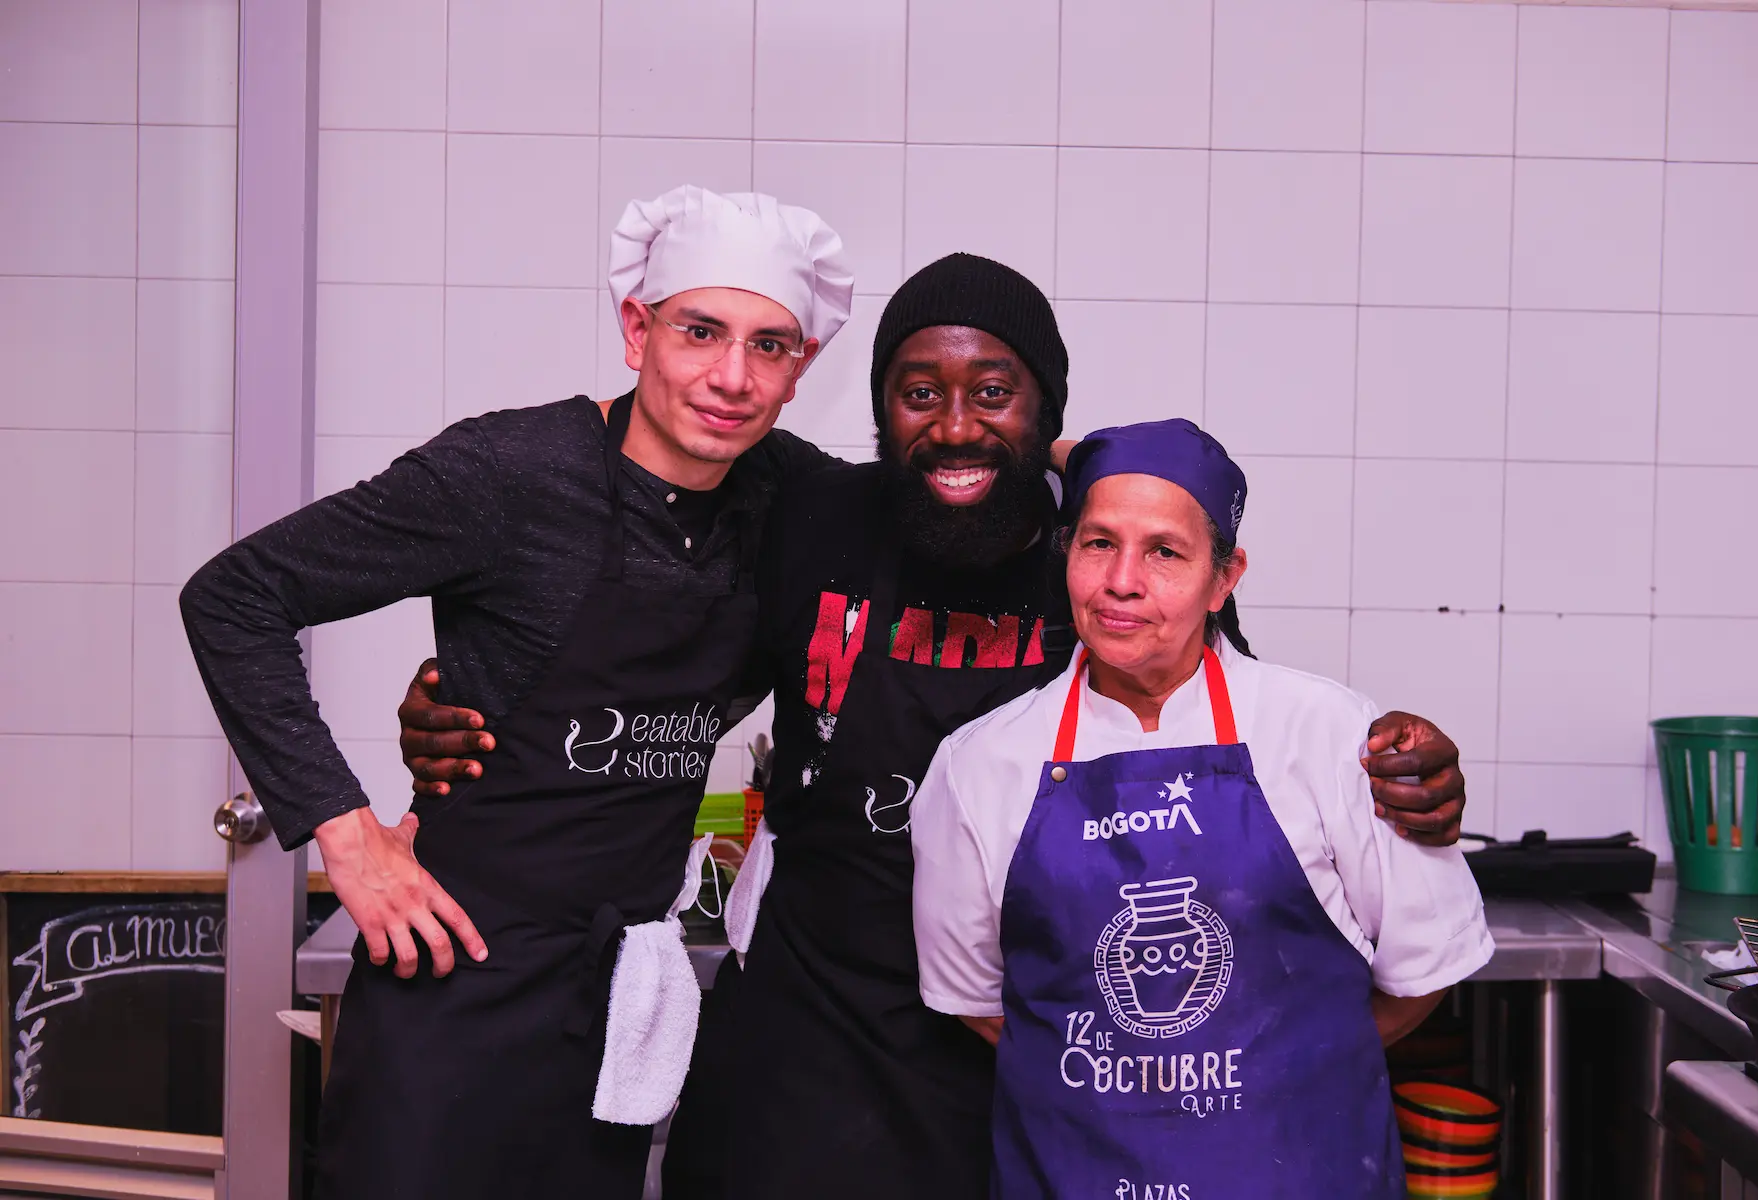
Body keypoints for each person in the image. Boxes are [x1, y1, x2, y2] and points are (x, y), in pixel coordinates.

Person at [398, 255, 1475, 1199]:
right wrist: (490, 700)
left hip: (1039, 1051)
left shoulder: (1107, 553)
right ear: (881, 409)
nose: (955, 424)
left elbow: (1240, 735)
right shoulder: (809, 513)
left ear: (1046, 411)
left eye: (994, 392)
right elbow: (653, 602)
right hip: (811, 1035)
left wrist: (1407, 769)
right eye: (920, 392)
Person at [179, 185, 853, 1198]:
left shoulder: (789, 498)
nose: (731, 377)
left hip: (611, 1003)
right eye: (701, 331)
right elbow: (234, 596)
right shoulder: (505, 476)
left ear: (799, 371)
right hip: (452, 988)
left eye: (770, 346)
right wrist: (345, 830)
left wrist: (1092, 469)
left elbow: (940, 504)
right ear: (637, 328)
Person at [909, 420, 1494, 1198]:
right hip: (1075, 1171)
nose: (1122, 581)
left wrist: (1288, 1065)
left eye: (1164, 552)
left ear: (1225, 578)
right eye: (1096, 543)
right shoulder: (981, 763)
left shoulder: (1329, 734)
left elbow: (1424, 970)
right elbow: (978, 1001)